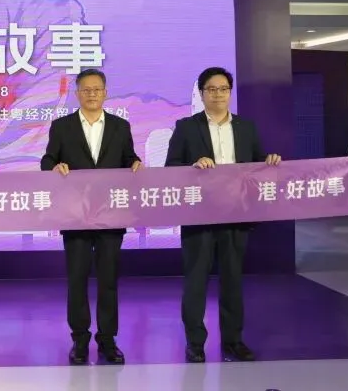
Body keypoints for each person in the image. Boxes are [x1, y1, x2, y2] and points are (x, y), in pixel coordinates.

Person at [164, 67, 281, 364]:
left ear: (230, 92)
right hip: (199, 217)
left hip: (236, 216)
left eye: (224, 89)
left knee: (232, 280)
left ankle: (233, 341)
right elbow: (170, 168)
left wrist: (269, 161)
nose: (218, 94)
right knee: (196, 281)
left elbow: (256, 165)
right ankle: (195, 343)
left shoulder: (246, 128)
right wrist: (193, 165)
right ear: (201, 93)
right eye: (211, 89)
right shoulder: (186, 127)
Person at [40, 68, 141, 366]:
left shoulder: (120, 126)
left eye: (97, 89)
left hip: (110, 215)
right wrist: (54, 167)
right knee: (77, 280)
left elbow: (128, 158)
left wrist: (135, 163)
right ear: (77, 93)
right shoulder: (62, 127)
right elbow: (47, 159)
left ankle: (108, 340)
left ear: (106, 93)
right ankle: (80, 340)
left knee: (108, 280)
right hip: (76, 216)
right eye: (86, 89)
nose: (92, 94)